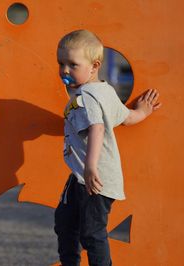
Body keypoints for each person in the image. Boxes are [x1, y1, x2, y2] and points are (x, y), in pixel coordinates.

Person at [54, 29, 161, 266]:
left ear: (94, 66)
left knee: (91, 233)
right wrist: (143, 111)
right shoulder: (105, 90)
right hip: (81, 176)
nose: (65, 70)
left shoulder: (89, 95)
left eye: (73, 64)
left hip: (94, 179)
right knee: (65, 222)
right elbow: (126, 117)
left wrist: (91, 168)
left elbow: (97, 128)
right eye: (61, 63)